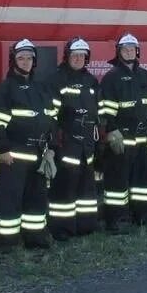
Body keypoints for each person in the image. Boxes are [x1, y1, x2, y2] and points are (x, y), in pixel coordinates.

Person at [0, 39, 58, 248]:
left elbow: (51, 119)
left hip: (39, 153)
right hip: (14, 156)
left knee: (37, 199)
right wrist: (3, 149)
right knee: (10, 201)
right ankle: (8, 243)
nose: (25, 62)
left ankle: (35, 239)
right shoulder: (5, 89)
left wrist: (50, 149)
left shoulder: (41, 89)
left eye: (29, 58)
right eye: (21, 58)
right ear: (13, 61)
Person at [98, 33, 147, 230]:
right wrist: (111, 130)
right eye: (124, 49)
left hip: (141, 139)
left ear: (137, 51)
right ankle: (117, 221)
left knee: (142, 182)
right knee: (117, 184)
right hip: (121, 140)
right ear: (118, 52)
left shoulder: (144, 75)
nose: (128, 52)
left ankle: (142, 215)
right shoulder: (111, 78)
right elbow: (104, 109)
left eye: (131, 49)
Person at [47, 37, 101, 238]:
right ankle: (62, 229)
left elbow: (99, 109)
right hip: (66, 141)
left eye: (82, 56)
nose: (78, 59)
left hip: (87, 143)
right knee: (64, 187)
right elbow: (50, 115)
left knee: (86, 187)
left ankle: (86, 226)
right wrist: (54, 142)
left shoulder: (91, 81)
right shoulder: (56, 80)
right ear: (66, 56)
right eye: (75, 55)